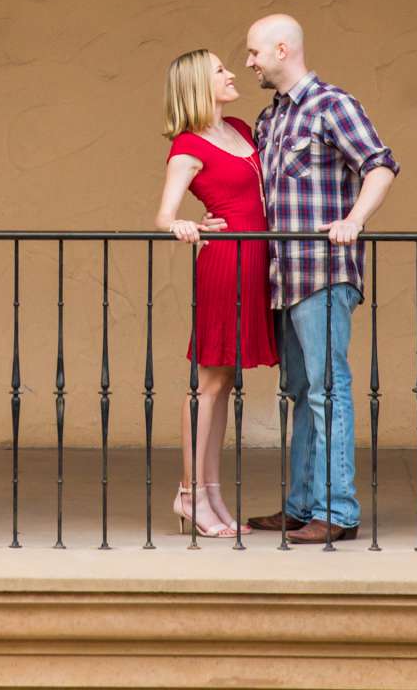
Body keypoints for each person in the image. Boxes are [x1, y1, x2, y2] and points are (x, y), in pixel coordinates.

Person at [234, 13, 397, 543]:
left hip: (323, 272)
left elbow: (380, 164)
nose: (249, 61)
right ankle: (302, 506)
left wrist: (354, 220)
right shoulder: (270, 119)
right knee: (300, 391)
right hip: (283, 275)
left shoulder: (333, 105)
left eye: (255, 52)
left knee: (329, 389)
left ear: (283, 49)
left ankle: (338, 510)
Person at [153, 47, 279, 539]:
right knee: (207, 383)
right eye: (221, 71)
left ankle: (210, 492)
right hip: (225, 263)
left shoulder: (243, 131)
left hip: (256, 262)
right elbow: (163, 214)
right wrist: (185, 224)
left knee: (224, 384)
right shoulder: (188, 146)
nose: (232, 74)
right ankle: (188, 493)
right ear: (198, 87)